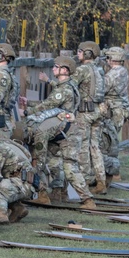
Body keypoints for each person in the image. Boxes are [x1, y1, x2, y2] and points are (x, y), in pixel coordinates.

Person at [24, 55, 95, 209]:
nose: (53, 69)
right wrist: (29, 103)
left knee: (67, 167)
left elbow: (48, 105)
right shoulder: (67, 86)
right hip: (64, 131)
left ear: (65, 70)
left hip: (64, 131)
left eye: (56, 67)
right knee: (53, 162)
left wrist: (27, 111)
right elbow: (50, 103)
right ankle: (55, 193)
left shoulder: (64, 89)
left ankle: (87, 200)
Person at [73, 41, 108, 193]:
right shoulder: (99, 69)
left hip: (85, 112)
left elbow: (69, 86)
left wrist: (50, 82)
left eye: (80, 51)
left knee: (83, 146)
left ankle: (85, 181)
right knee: (95, 147)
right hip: (98, 110)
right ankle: (101, 181)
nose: (78, 54)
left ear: (87, 54)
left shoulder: (82, 69)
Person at [102, 46, 129, 184]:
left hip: (114, 110)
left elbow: (102, 89)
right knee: (112, 139)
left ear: (111, 58)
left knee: (109, 141)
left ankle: (113, 172)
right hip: (120, 109)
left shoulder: (113, 74)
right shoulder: (123, 71)